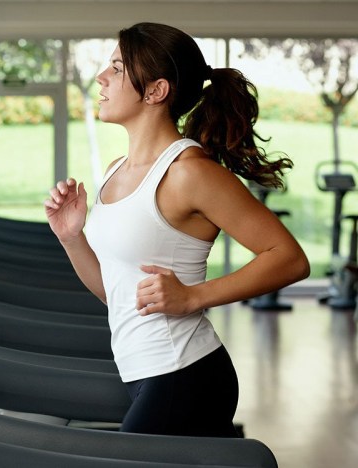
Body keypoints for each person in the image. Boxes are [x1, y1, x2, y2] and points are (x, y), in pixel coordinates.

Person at [44, 22, 310, 437]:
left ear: (156, 91)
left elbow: (290, 258)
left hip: (184, 372)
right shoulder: (116, 171)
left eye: (116, 67)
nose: (101, 77)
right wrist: (71, 237)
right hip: (141, 372)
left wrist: (193, 297)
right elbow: (115, 294)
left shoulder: (190, 173)